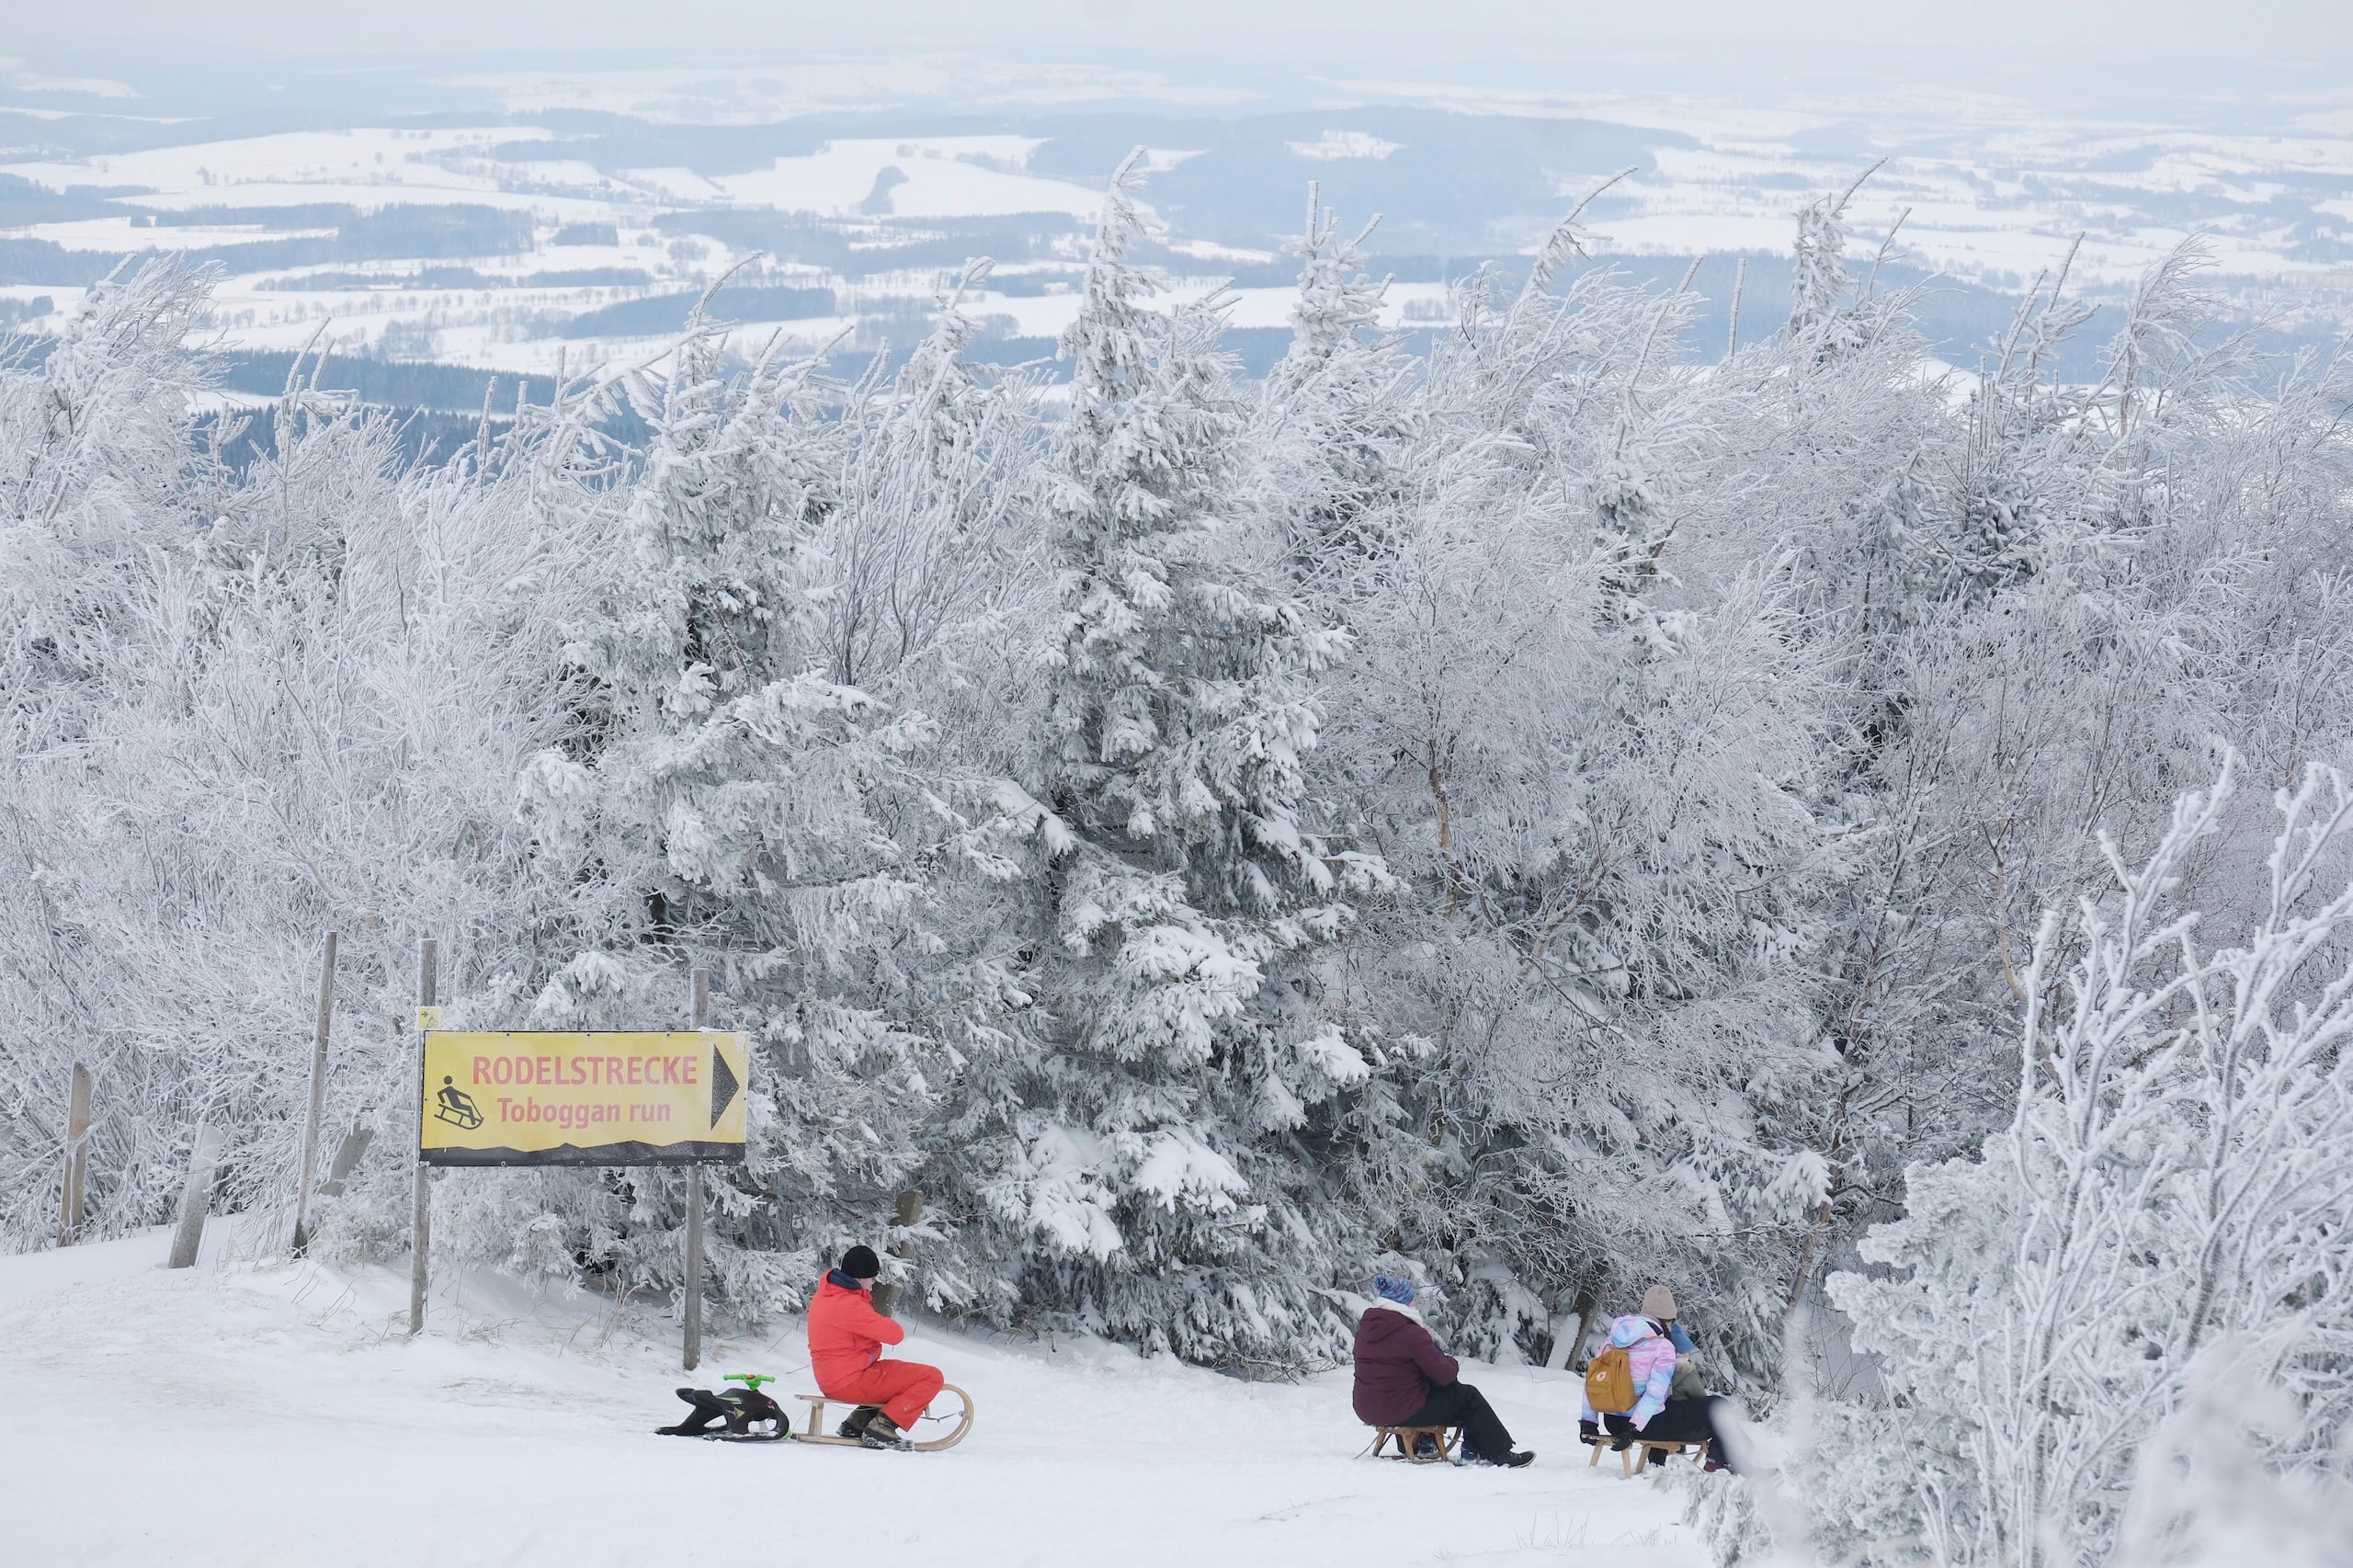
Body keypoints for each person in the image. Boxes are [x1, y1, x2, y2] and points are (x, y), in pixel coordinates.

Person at [1351, 1274, 1534, 1468]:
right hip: (1399, 1409)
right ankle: (1498, 1452)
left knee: (1417, 1389)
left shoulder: (1365, 1332)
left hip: (1366, 1408)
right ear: (1403, 1304)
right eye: (1412, 1301)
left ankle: (1422, 1443)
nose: (1415, 1305)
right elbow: (1445, 1374)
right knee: (1467, 1397)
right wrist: (1450, 1361)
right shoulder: (1411, 1333)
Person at [1578, 1290, 1733, 1472]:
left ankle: (1660, 1461)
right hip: (1646, 1426)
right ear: (1668, 1320)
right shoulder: (1662, 1346)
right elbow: (1654, 1393)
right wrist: (1633, 1429)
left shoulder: (1611, 1341)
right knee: (1718, 1405)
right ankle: (1722, 1461)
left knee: (1671, 1407)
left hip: (1612, 1422)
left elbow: (1595, 1381)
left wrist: (1588, 1422)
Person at [806, 1245, 945, 1449]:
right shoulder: (849, 1305)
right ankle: (882, 1428)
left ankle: (857, 1423)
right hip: (849, 1381)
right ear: (860, 1276)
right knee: (931, 1376)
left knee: (891, 1373)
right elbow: (895, 1335)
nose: (872, 1283)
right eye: (871, 1278)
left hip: (833, 1377)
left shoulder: (826, 1296)